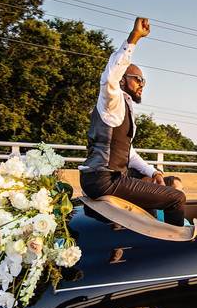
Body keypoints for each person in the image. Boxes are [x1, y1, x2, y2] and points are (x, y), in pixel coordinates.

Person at [79, 17, 187, 224]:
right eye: (138, 79)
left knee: (168, 181)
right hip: (104, 180)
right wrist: (134, 37)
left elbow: (127, 153)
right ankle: (176, 245)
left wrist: (153, 171)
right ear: (123, 80)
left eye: (143, 80)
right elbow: (109, 77)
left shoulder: (124, 105)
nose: (142, 84)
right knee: (177, 198)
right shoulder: (112, 99)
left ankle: (145, 229)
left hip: (107, 176)